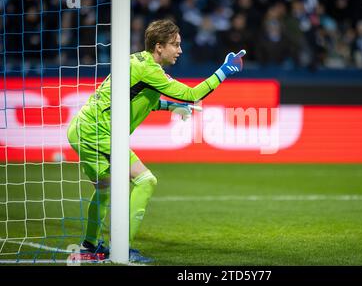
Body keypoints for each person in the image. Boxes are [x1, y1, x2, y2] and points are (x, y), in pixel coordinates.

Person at [67, 19, 246, 263]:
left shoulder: (137, 60)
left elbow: (134, 97)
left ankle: (90, 245)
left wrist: (169, 106)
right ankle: (123, 247)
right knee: (146, 180)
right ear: (159, 46)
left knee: (104, 188)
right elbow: (193, 94)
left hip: (82, 128)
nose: (180, 50)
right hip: (99, 133)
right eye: (175, 45)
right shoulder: (149, 70)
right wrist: (224, 71)